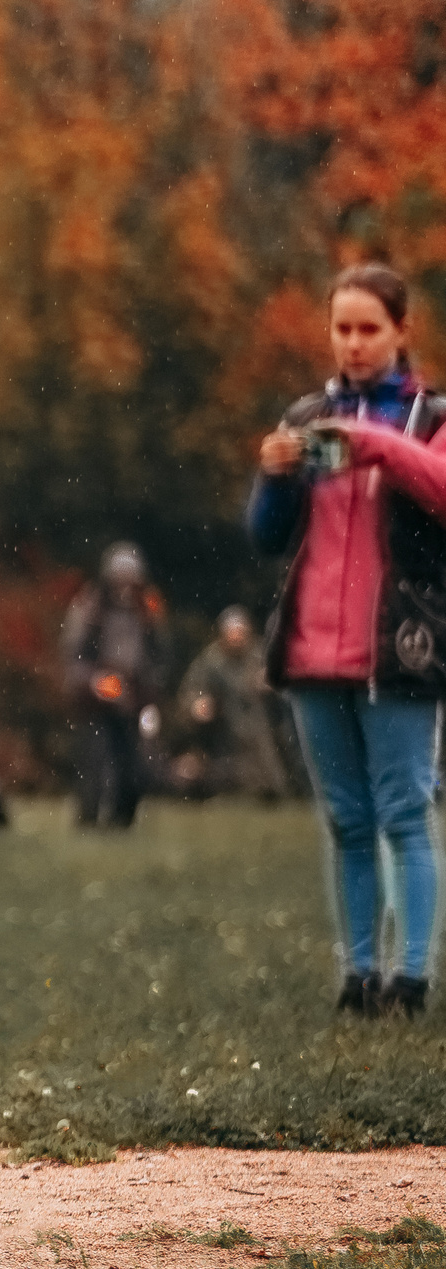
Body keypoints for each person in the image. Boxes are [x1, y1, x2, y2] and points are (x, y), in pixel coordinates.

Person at [249, 262, 446, 1019]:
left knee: (405, 810)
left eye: (369, 329)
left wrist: (374, 442)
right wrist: (271, 477)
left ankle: (413, 976)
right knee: (348, 820)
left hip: (399, 648)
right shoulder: (307, 415)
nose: (354, 344)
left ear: (400, 332)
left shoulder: (428, 415)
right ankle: (359, 974)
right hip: (314, 651)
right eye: (342, 328)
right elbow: (267, 537)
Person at [58, 542, 169, 829]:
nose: (125, 583)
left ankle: (122, 821)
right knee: (94, 763)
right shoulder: (90, 607)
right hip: (96, 698)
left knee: (135, 765)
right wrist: (96, 681)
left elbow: (159, 655)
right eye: (119, 575)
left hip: (135, 698)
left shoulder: (148, 609)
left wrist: (149, 691)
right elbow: (74, 654)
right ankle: (89, 820)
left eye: (130, 576)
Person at [174, 606, 293, 800]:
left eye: (240, 632)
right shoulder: (212, 660)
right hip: (226, 732)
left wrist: (271, 682)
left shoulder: (261, 654)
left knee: (272, 775)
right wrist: (198, 703)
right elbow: (191, 690)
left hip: (264, 733)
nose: (236, 638)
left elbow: (285, 683)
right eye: (231, 633)